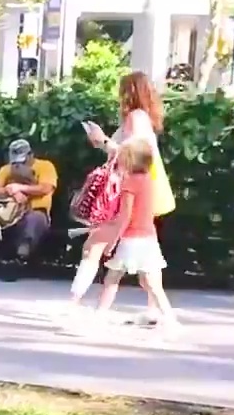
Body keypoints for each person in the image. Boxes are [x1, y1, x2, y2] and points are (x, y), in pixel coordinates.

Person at [70, 70, 174, 315]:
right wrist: (103, 142)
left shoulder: (136, 118)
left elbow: (133, 153)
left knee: (96, 248)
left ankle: (77, 303)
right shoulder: (141, 118)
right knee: (144, 262)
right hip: (138, 191)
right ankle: (155, 310)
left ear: (130, 93)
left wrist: (103, 141)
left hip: (129, 192)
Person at [93, 139, 181, 331]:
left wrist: (113, 241)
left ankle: (100, 313)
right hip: (149, 236)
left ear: (129, 159)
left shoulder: (130, 182)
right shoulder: (149, 179)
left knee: (112, 278)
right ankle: (169, 317)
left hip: (132, 238)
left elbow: (126, 216)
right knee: (151, 282)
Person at [0, 138, 57, 279]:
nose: (19, 165)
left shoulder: (46, 166)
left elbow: (46, 188)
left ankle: (20, 260)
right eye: (16, 161)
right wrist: (11, 191)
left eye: (22, 161)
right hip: (10, 210)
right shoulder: (6, 169)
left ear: (31, 155)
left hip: (35, 211)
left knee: (33, 220)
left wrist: (21, 188)